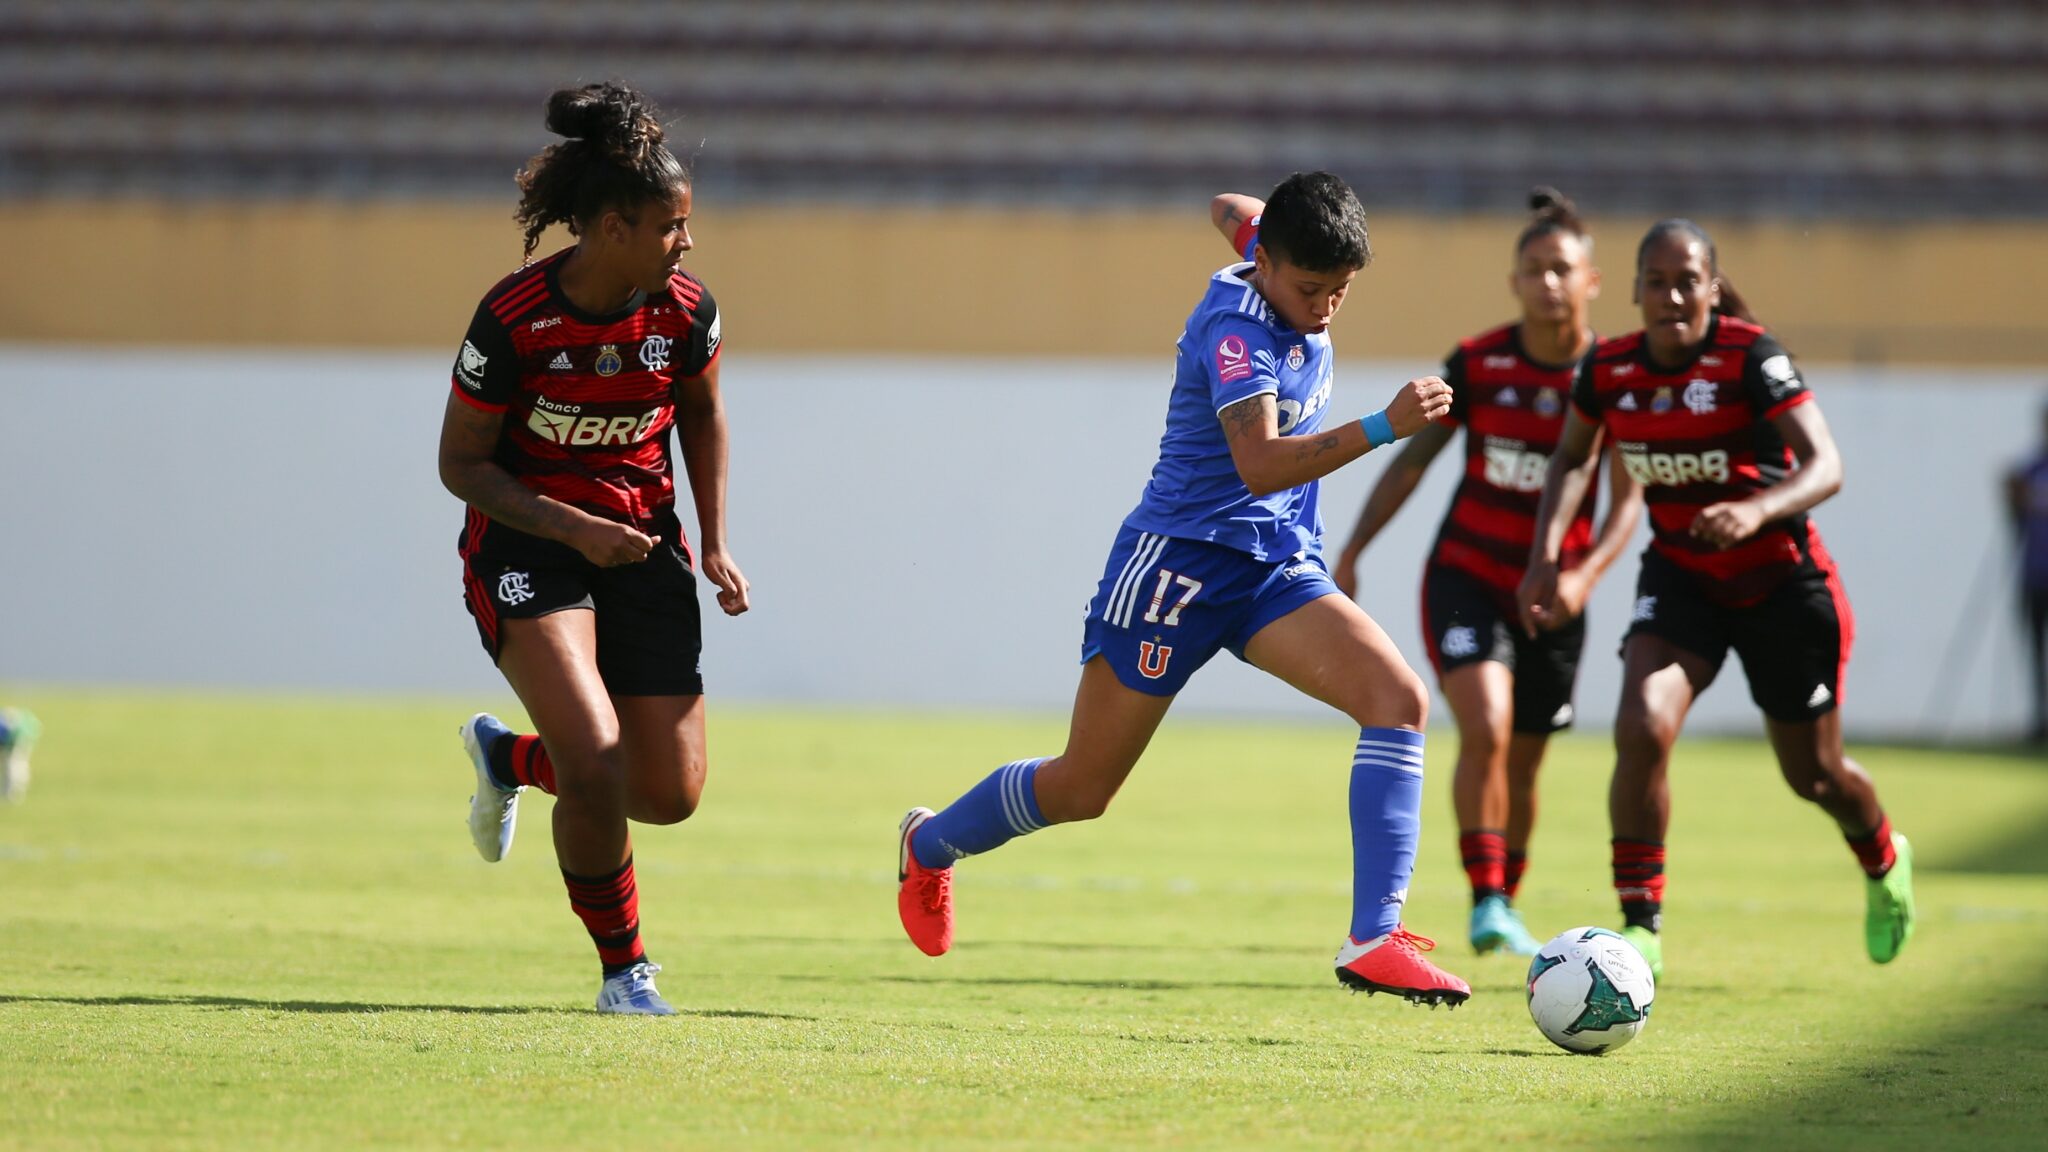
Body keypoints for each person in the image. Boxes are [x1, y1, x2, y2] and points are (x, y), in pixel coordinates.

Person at [896, 172, 1472, 1006]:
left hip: (1272, 566)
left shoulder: (1269, 254)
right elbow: (1261, 462)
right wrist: (1385, 425)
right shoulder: (1239, 332)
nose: (1324, 308)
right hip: (1176, 570)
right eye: (1311, 290)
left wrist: (1254, 222)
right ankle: (931, 844)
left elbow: (1228, 208)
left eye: (1341, 291)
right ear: (1269, 267)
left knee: (1398, 699)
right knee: (1082, 788)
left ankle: (1373, 938)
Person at [1518, 219, 1913, 978]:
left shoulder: (1750, 357)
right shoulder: (1608, 369)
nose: (1671, 295)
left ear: (1711, 287)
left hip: (1782, 586)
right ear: (1632, 291)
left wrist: (1757, 510)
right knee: (1640, 726)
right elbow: (1573, 455)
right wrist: (1545, 556)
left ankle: (1884, 855)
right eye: (1657, 281)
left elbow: (1825, 464)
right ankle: (1642, 927)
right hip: (1683, 579)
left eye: (1687, 280)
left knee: (1815, 777)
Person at [436, 82, 748, 1015]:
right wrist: (575, 527)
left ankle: (510, 760)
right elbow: (461, 464)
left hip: (644, 549)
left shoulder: (685, 311)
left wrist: (719, 542)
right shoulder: (514, 317)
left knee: (669, 792)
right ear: (611, 228)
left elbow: (704, 416)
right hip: (532, 549)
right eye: (671, 226)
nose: (686, 242)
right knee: (600, 758)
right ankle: (627, 973)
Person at [1325, 190, 1642, 956]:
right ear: (1515, 282)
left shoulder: (1612, 377)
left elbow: (1627, 499)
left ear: (1591, 280)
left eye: (1562, 269)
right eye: (1533, 270)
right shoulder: (1478, 363)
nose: (1548, 283)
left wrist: (1586, 577)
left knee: (1527, 760)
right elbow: (1414, 462)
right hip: (1466, 576)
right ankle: (1487, 899)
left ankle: (1504, 894)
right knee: (1487, 728)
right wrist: (1357, 547)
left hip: (1553, 595)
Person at [2003, 406, 2048, 743]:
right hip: (2034, 576)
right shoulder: (2030, 469)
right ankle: (2039, 722)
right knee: (2035, 653)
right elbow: (2016, 519)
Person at [0, 706, 38, 803]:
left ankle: (12, 793)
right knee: (17, 765)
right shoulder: (24, 721)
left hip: (16, 743)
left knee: (13, 766)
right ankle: (12, 791)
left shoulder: (12, 727)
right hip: (18, 740)